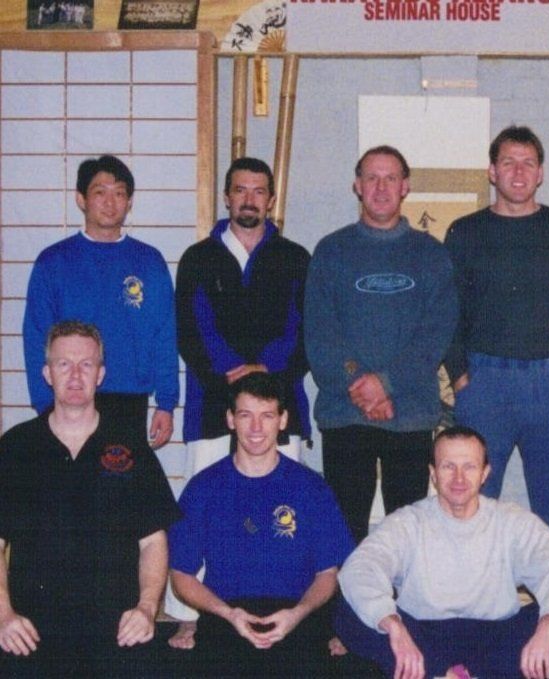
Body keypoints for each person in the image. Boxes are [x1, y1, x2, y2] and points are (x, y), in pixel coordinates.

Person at [166, 156, 314, 645]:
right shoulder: (198, 258)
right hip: (213, 402)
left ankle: (286, 606)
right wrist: (232, 376)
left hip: (279, 403)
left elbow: (302, 327)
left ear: (271, 200)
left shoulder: (295, 257)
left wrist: (266, 374)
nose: (249, 199)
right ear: (226, 197)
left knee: (283, 509)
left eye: (258, 191)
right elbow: (191, 328)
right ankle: (187, 613)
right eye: (240, 190)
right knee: (201, 511)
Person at [335, 426, 549, 679]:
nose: (458, 478)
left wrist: (548, 624)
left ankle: (458, 674)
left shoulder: (511, 520)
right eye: (448, 466)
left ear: (484, 473)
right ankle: (447, 673)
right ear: (433, 473)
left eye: (469, 467)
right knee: (348, 612)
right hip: (423, 636)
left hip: (496, 636)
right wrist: (392, 624)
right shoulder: (408, 521)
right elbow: (360, 568)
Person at [0, 321, 180, 677]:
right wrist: (4, 615)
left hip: (116, 631)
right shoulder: (16, 448)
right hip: (29, 632)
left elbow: (153, 542)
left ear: (101, 374)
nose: (76, 374)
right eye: (64, 364)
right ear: (47, 373)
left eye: (86, 364)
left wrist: (145, 609)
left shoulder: (132, 449)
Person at [443, 125, 549, 545]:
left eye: (528, 162)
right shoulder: (465, 232)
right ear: (492, 171)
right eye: (508, 162)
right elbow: (448, 313)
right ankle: (470, 607)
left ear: (541, 172)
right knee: (471, 506)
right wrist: (461, 379)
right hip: (485, 384)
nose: (518, 171)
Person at [305, 145, 458, 543]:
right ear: (357, 185)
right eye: (371, 177)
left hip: (409, 412)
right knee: (344, 531)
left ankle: (401, 608)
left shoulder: (430, 254)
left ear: (405, 187)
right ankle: (346, 608)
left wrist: (385, 383)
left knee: (407, 533)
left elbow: (435, 335)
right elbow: (320, 333)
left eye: (390, 178)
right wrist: (362, 384)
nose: (381, 187)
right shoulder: (331, 251)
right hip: (345, 412)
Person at [167, 373, 354, 677]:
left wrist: (298, 614)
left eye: (267, 416)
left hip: (297, 618)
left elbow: (327, 574)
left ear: (283, 420)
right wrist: (227, 614)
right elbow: (182, 576)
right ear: (230, 419)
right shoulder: (203, 488)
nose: (256, 428)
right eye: (245, 415)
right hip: (227, 618)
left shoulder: (311, 488)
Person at [23, 154, 178, 448]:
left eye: (119, 194)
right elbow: (36, 336)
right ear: (81, 199)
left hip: (129, 398)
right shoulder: (53, 262)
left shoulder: (149, 261)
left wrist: (166, 403)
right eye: (100, 193)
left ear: (130, 202)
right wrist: (44, 405)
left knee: (120, 489)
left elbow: (165, 336)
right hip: (69, 398)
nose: (110, 202)